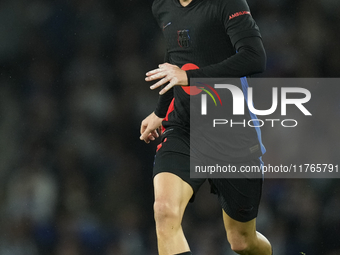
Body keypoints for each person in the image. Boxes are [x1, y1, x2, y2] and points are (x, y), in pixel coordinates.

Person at [140, 0, 272, 254]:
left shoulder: (227, 3)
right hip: (183, 127)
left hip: (231, 130)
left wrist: (191, 77)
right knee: (164, 212)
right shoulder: (162, 6)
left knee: (242, 241)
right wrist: (160, 111)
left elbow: (255, 57)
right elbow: (177, 57)